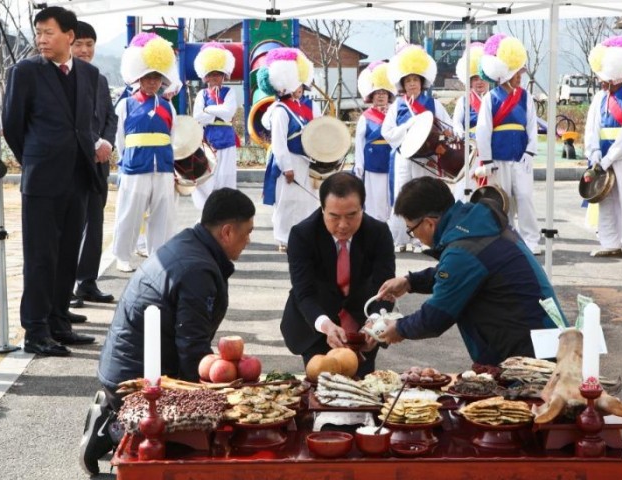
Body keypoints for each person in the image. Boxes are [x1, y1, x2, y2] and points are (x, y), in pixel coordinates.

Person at [80, 188, 255, 476]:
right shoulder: (197, 269)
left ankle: (115, 419)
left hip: (124, 364)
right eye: (246, 233)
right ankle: (117, 428)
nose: (248, 241)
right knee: (207, 442)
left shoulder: (191, 242)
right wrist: (209, 399)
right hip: (137, 379)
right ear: (226, 232)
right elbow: (192, 348)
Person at [375, 177, 562, 365]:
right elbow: (457, 273)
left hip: (529, 356)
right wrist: (410, 282)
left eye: (411, 230)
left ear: (429, 223)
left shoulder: (462, 251)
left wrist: (399, 328)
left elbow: (434, 318)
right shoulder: (476, 223)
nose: (414, 237)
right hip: (545, 340)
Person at [2, 6, 101, 356]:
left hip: (78, 176)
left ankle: (60, 321)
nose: (41, 39)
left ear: (69, 36)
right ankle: (36, 330)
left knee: (66, 254)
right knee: (40, 256)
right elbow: (13, 125)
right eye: (38, 32)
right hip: (42, 179)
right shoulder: (25, 72)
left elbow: (85, 123)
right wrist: (36, 157)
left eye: (49, 32)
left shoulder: (89, 75)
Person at [280, 172, 396, 377]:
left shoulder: (378, 233)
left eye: (352, 215)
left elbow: (385, 289)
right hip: (315, 324)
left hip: (362, 329)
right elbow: (303, 293)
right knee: (320, 389)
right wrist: (325, 325)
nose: (343, 225)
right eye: (334, 216)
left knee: (363, 390)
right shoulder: (302, 235)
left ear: (363, 208)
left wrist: (375, 320)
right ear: (322, 208)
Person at [112, 33, 179, 272]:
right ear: (138, 78)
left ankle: (158, 257)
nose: (152, 83)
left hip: (162, 167)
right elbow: (120, 139)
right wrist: (125, 161)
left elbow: (172, 137)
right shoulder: (125, 105)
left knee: (163, 215)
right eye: (147, 78)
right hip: (134, 167)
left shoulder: (168, 106)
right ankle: (123, 256)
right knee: (130, 214)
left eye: (156, 78)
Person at [382, 44, 454, 253]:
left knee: (423, 194)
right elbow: (388, 133)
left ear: (422, 81)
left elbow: (448, 127)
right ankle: (400, 237)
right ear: (403, 83)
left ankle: (422, 239)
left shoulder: (433, 104)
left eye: (415, 79)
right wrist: (408, 127)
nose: (412, 84)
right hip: (404, 156)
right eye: (408, 80)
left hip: (426, 157)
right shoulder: (397, 106)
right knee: (402, 194)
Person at [475, 34, 541, 255]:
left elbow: (532, 126)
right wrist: (487, 160)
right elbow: (483, 130)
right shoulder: (490, 98)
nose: (520, 77)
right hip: (499, 156)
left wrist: (531, 151)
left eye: (521, 72)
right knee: (503, 200)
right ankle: (506, 238)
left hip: (521, 155)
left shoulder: (526, 98)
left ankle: (531, 239)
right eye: (517, 73)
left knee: (525, 197)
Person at [584, 35, 622, 259]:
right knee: (605, 200)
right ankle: (610, 241)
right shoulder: (600, 98)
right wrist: (594, 153)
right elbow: (592, 128)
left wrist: (608, 158)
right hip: (603, 157)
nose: (600, 81)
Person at [70, 21, 118, 308]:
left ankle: (87, 281)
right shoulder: (59, 78)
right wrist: (94, 143)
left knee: (95, 223)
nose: (85, 50)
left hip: (99, 164)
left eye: (90, 44)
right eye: (79, 44)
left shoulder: (98, 78)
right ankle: (66, 287)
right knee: (72, 226)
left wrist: (107, 143)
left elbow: (110, 116)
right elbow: (73, 123)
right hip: (74, 163)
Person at [259, 47, 320, 252]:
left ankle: (305, 236)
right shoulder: (280, 110)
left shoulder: (305, 108)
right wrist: (286, 167)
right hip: (289, 160)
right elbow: (278, 143)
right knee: (287, 200)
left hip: (306, 160)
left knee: (306, 201)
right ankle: (284, 238)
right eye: (296, 85)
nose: (300, 88)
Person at [191, 42, 239, 210]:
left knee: (227, 179)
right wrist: (218, 113)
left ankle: (227, 212)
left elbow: (229, 112)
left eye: (219, 74)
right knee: (205, 179)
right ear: (206, 76)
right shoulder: (201, 94)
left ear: (224, 76)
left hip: (227, 141)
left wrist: (209, 109)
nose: (215, 78)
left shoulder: (230, 92)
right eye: (212, 74)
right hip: (208, 142)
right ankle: (207, 212)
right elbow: (198, 116)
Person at [353, 61, 395, 222]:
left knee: (390, 195)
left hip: (391, 158)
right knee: (375, 196)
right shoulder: (366, 117)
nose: (381, 96)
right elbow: (359, 142)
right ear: (371, 96)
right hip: (373, 160)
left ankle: (390, 227)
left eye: (384, 92)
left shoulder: (394, 114)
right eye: (377, 93)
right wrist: (359, 164)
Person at [452, 42, 488, 201]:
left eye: (482, 78)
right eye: (475, 79)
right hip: (470, 149)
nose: (479, 82)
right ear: (469, 81)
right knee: (465, 186)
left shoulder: (493, 99)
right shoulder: (464, 100)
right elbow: (456, 123)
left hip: (489, 149)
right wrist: (463, 135)